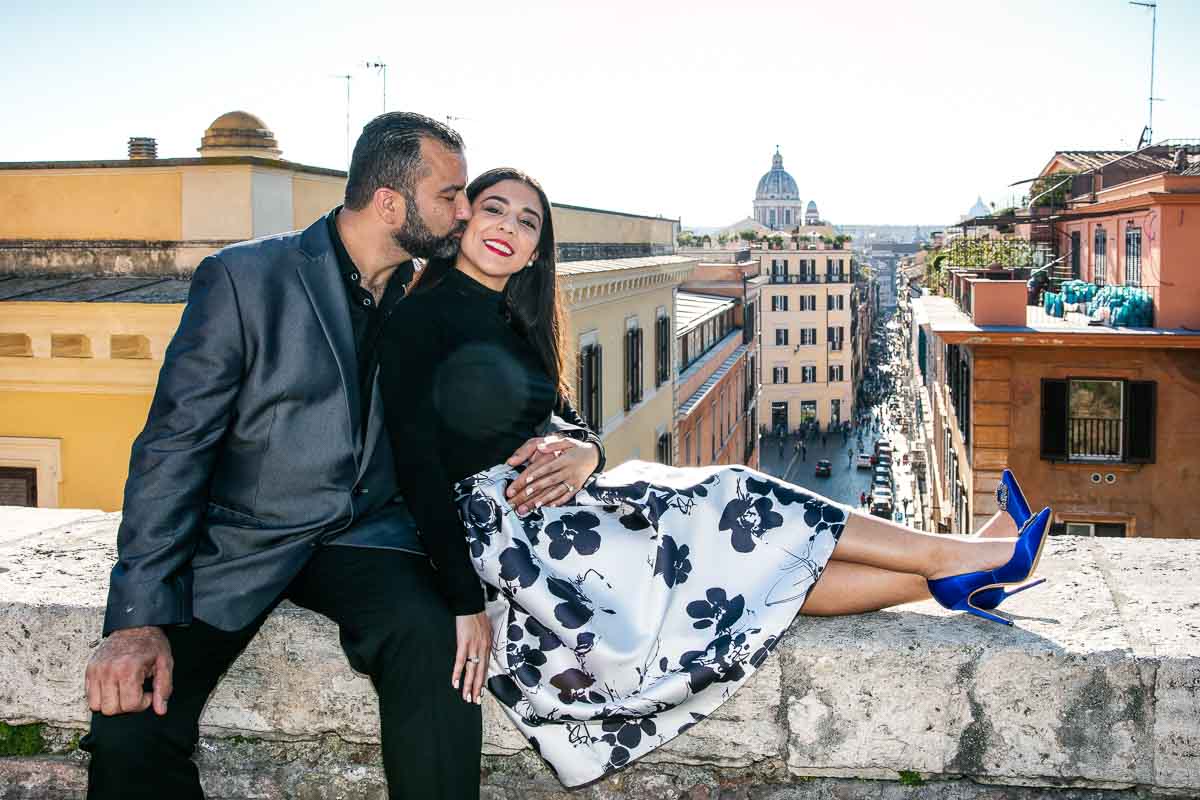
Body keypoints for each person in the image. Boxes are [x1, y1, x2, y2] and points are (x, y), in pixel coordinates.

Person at [376, 167, 1053, 788]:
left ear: (534, 250)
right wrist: (465, 601)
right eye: (496, 209)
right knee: (734, 497)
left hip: (553, 514)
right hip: (509, 538)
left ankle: (961, 572)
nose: (511, 227)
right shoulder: (421, 316)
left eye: (529, 222)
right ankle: (958, 555)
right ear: (462, 222)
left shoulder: (516, 324)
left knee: (747, 580)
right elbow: (416, 463)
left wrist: (586, 453)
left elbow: (572, 422)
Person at [80, 115, 602, 800]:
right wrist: (136, 618)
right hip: (242, 540)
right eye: (450, 195)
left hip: (371, 538)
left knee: (437, 643)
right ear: (391, 203)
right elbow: (174, 446)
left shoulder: (437, 290)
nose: (466, 210)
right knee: (129, 730)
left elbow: (521, 393)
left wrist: (584, 446)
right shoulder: (244, 278)